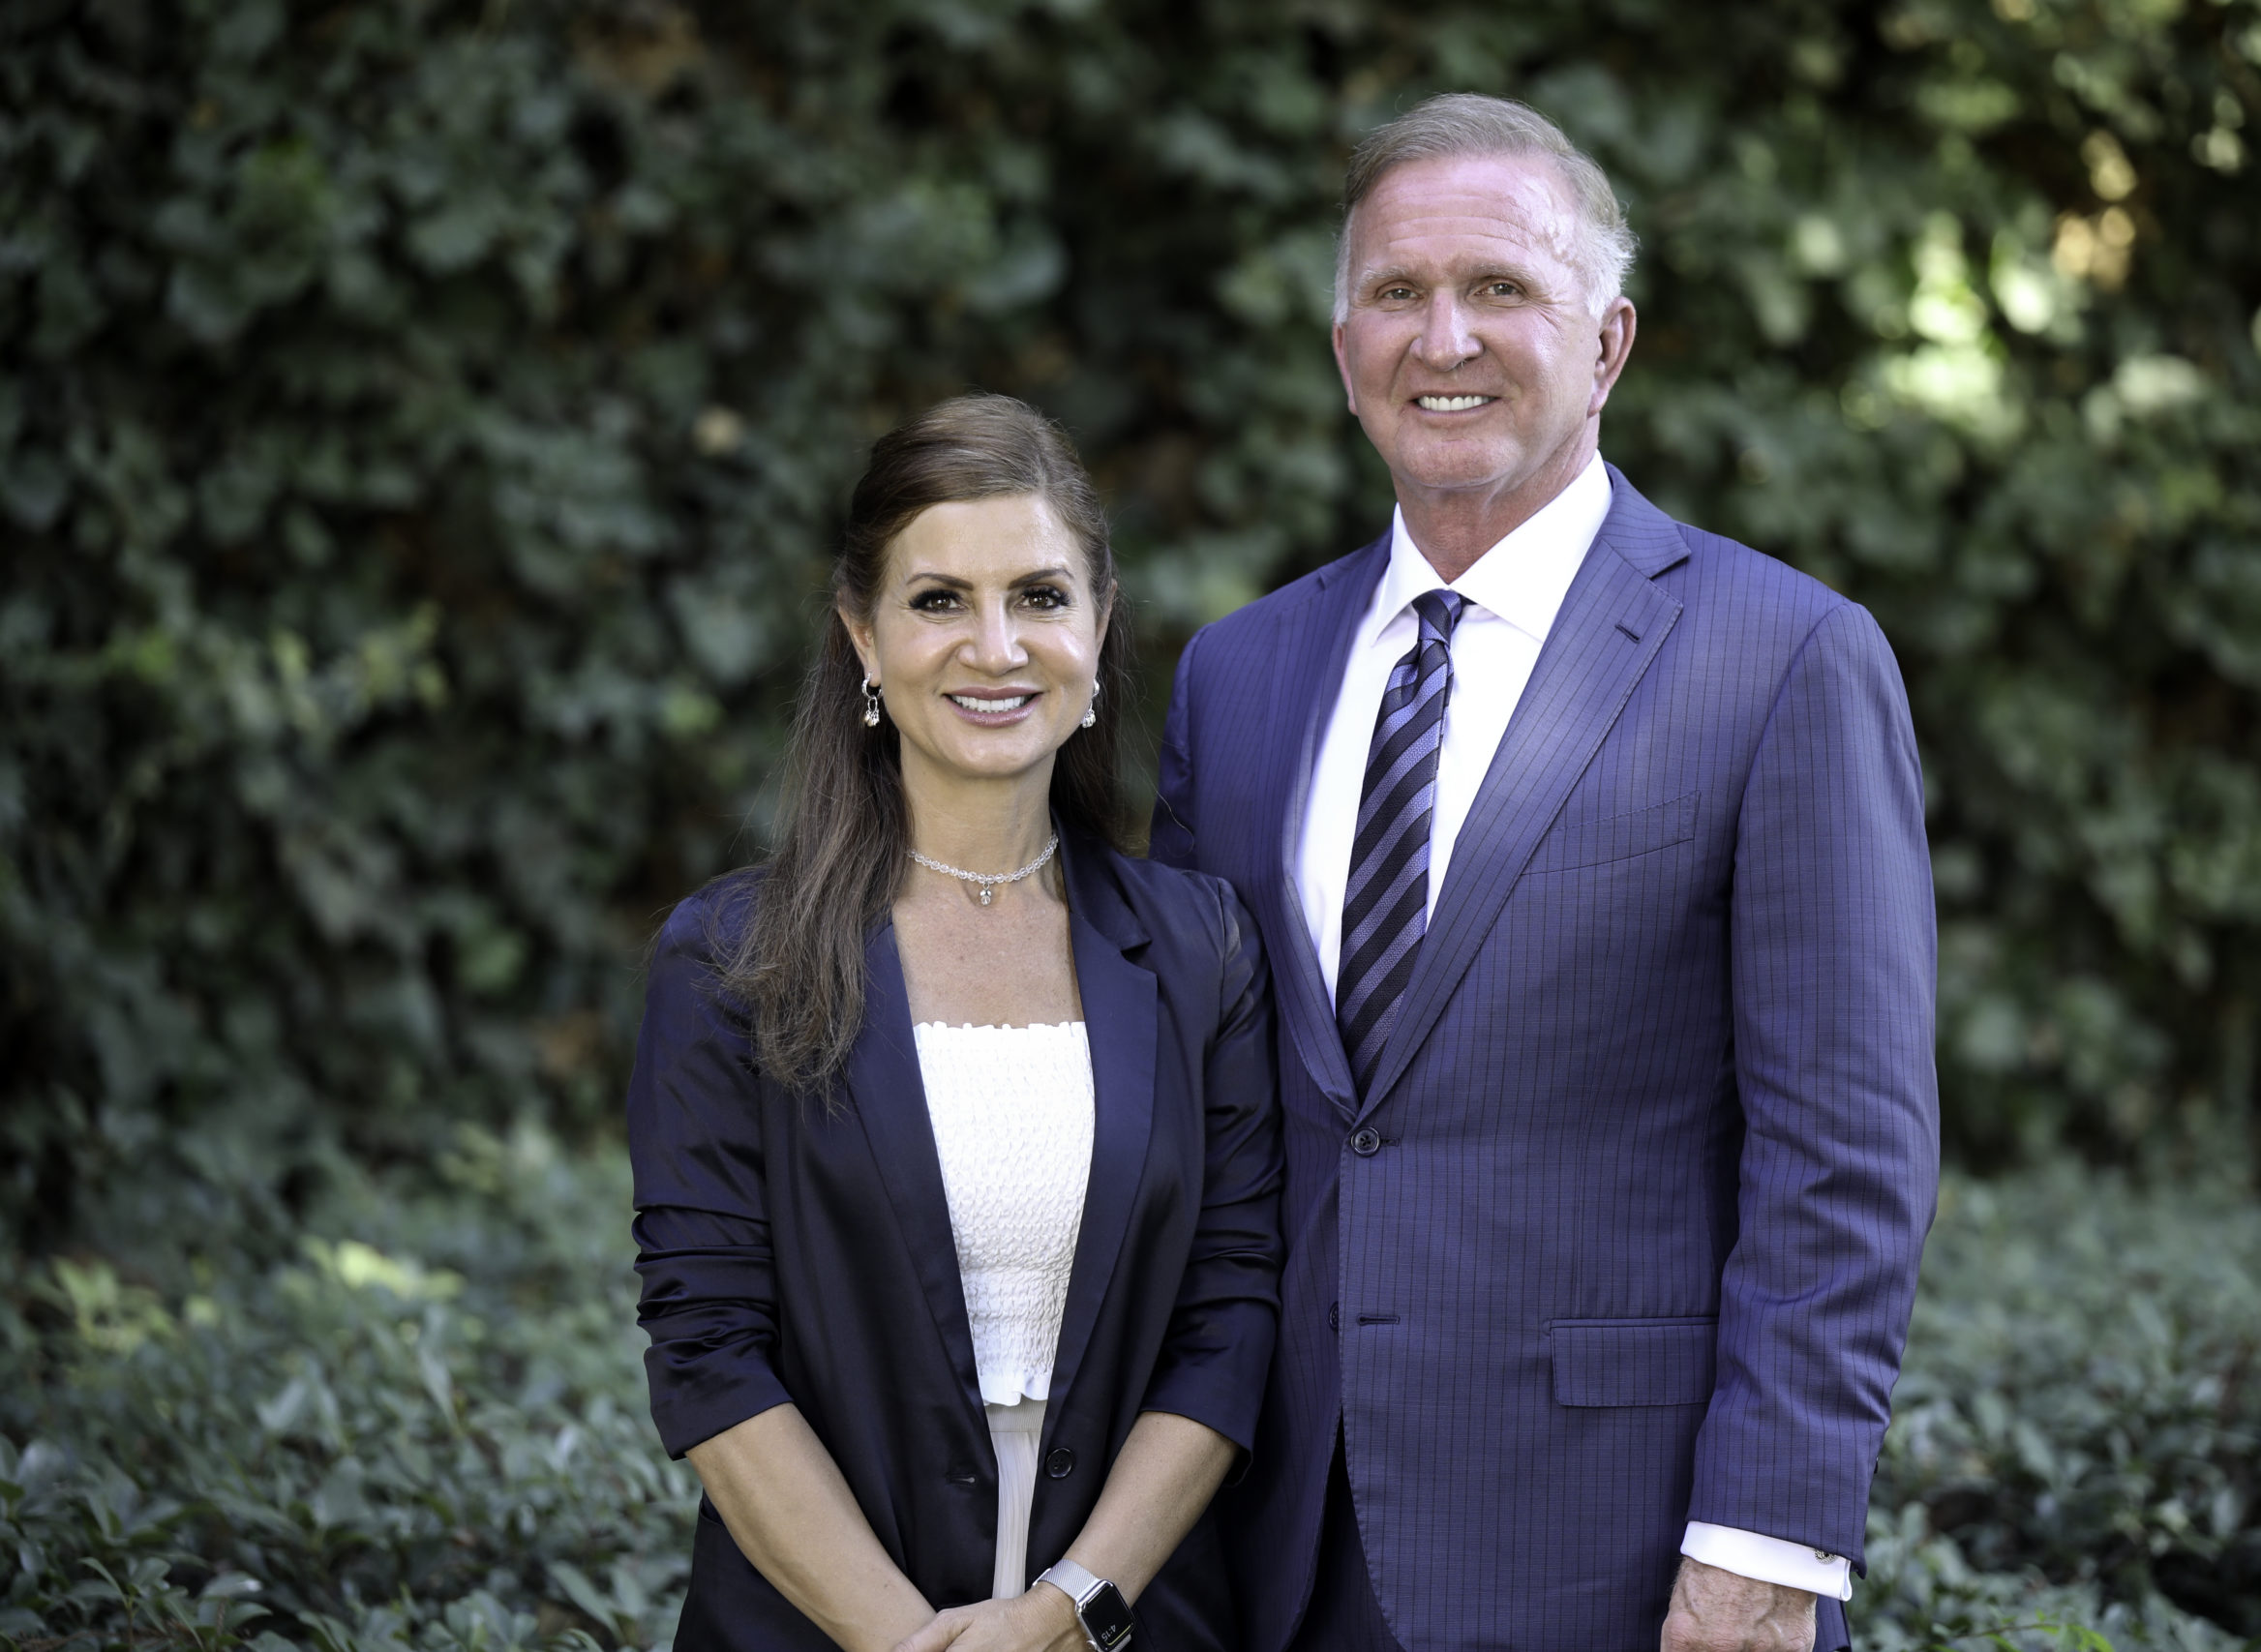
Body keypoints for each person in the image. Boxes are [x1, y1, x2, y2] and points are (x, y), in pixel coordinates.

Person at [1151, 96, 1940, 1652]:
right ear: (1342, 350)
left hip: (1629, 1561)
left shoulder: (1782, 658)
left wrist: (1769, 1544)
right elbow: (1210, 1127)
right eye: (1396, 293)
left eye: (1501, 288)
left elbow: (1845, 1151)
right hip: (1273, 1555)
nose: (1442, 337)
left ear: (1608, 343)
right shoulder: (1235, 678)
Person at [629, 394, 1283, 1652]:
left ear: (1098, 630)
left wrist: (1069, 1611)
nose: (996, 646)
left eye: (1040, 596)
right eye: (939, 602)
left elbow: (1229, 1316)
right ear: (862, 637)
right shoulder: (730, 962)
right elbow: (709, 1351)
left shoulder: (1204, 950)